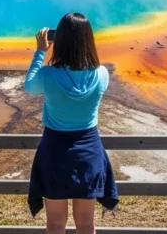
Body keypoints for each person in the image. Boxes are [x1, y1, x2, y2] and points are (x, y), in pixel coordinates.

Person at [24, 13, 117, 234]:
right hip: (88, 150)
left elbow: (29, 88)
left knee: (55, 224)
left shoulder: (48, 74)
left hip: (55, 150)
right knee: (86, 224)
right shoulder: (101, 74)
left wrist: (40, 52)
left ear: (60, 41)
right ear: (88, 40)